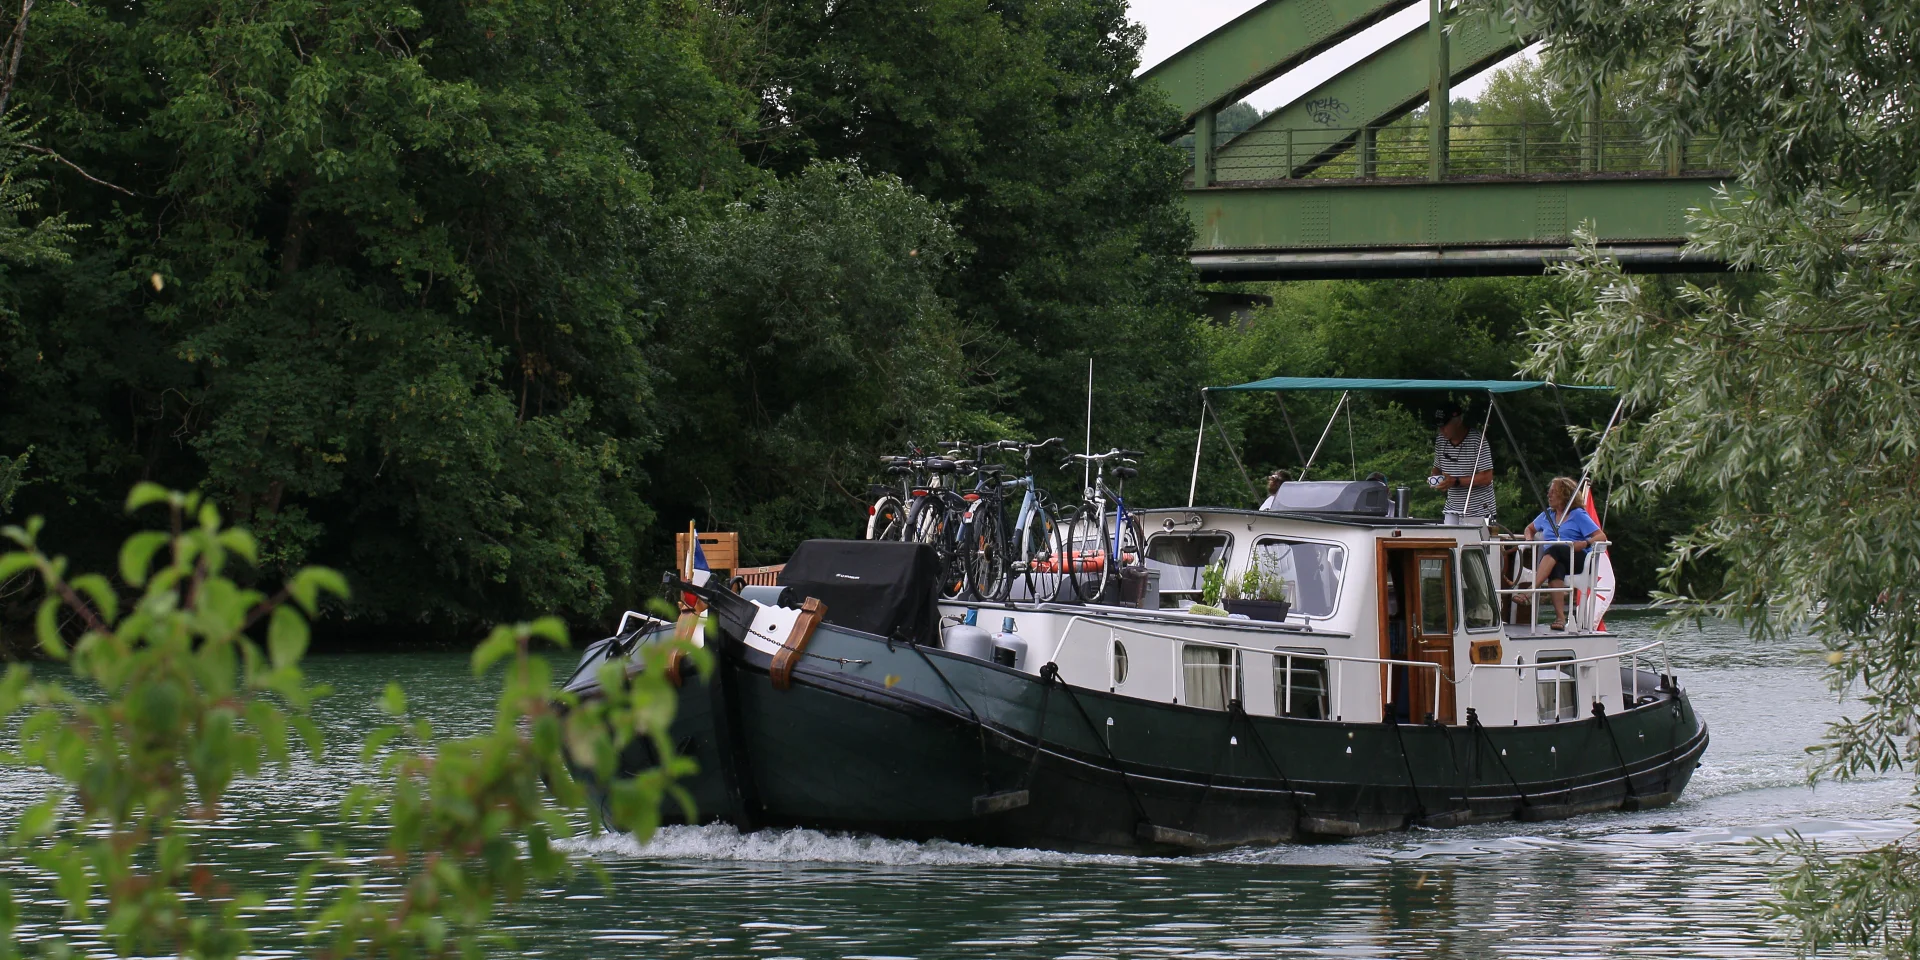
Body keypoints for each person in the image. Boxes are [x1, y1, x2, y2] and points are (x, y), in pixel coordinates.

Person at [1522, 476, 1607, 631]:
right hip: (1553, 560)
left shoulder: (1578, 514)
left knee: (1556, 548)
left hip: (1576, 558)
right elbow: (1529, 528)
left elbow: (1601, 536)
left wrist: (1585, 543)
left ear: (1565, 495)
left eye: (1553, 492)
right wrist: (1529, 540)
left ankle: (1531, 590)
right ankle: (1560, 618)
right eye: (1549, 492)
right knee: (1556, 567)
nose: (1549, 495)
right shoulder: (1548, 515)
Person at [1429, 404, 1496, 520]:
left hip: (1480, 512)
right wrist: (1437, 480)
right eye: (1439, 426)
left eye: (1445, 425)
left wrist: (1456, 481)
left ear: (1458, 421)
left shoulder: (1477, 441)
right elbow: (1436, 469)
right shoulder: (1440, 440)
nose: (1441, 430)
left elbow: (1487, 477)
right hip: (1451, 510)